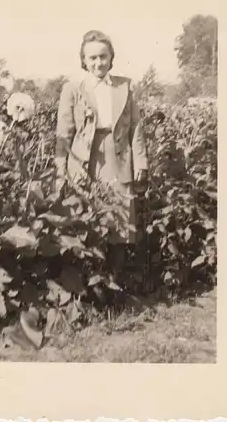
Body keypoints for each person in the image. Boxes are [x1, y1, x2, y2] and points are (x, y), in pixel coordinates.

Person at [54, 30, 148, 280]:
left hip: (118, 157)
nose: (98, 63)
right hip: (84, 158)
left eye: (103, 57)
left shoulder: (125, 86)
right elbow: (64, 131)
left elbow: (136, 126)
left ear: (111, 58)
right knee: (86, 216)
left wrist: (140, 160)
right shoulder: (73, 88)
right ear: (83, 60)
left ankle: (114, 283)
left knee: (119, 220)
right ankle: (88, 283)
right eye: (92, 58)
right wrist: (60, 169)